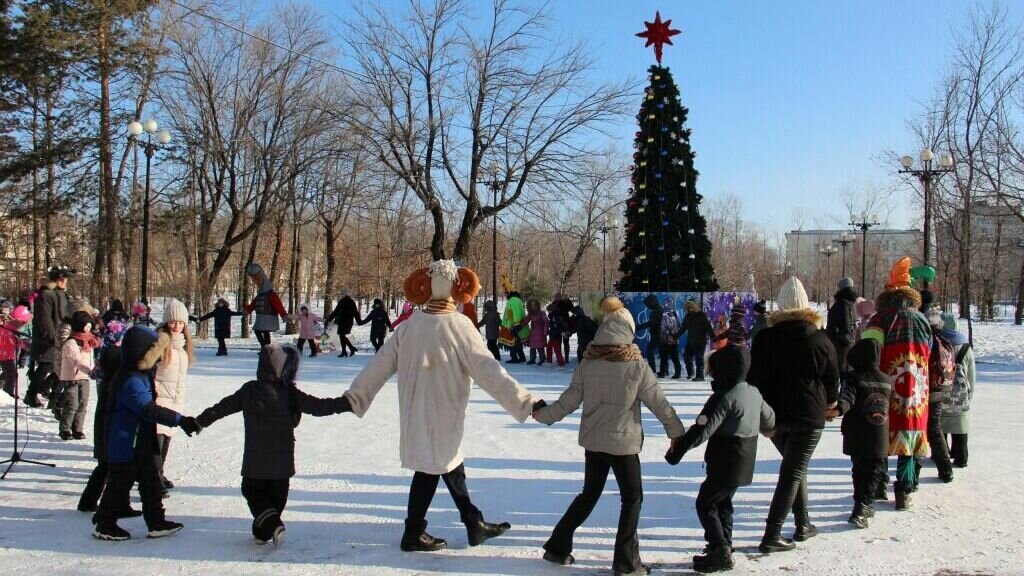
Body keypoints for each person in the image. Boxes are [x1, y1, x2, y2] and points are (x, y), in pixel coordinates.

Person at [343, 260, 538, 552]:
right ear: (456, 289)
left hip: (415, 411)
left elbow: (378, 365)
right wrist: (526, 403)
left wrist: (356, 396)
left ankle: (474, 523)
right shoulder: (461, 327)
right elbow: (490, 372)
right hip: (445, 410)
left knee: (448, 463)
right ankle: (414, 533)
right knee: (432, 467)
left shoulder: (409, 328)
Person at [533, 296, 684, 575]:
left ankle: (557, 545)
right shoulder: (636, 365)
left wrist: (541, 414)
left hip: (594, 442)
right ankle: (626, 562)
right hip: (623, 444)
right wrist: (677, 434)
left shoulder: (588, 363)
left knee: (589, 494)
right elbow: (659, 403)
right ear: (627, 331)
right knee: (632, 499)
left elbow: (567, 402)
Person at [194, 344, 353, 546]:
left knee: (253, 493)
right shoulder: (290, 393)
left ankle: (267, 529)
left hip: (255, 463)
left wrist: (200, 421)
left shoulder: (249, 390)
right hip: (282, 466)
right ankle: (266, 529)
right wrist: (347, 403)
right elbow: (320, 407)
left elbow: (221, 408)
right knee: (271, 509)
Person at [748, 276, 839, 553]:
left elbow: (755, 380)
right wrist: (831, 403)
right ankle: (772, 534)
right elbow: (832, 381)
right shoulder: (821, 339)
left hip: (775, 417)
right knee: (793, 471)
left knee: (794, 467)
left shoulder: (764, 338)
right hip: (810, 416)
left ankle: (803, 523)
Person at [666, 344, 776, 573]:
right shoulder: (753, 392)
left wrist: (675, 453)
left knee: (706, 503)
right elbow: (769, 420)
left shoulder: (724, 397)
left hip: (727, 458)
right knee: (723, 503)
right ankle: (724, 543)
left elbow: (702, 430)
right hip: (745, 458)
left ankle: (720, 550)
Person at [92, 325, 202, 541]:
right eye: (156, 351)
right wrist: (180, 420)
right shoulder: (130, 379)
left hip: (140, 441)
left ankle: (156, 522)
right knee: (119, 484)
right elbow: (147, 409)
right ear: (142, 354)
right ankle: (105, 523)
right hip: (125, 443)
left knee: (151, 481)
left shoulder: (140, 375)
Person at [861, 258, 932, 511]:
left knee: (880, 433)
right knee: (909, 436)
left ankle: (880, 482)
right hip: (916, 390)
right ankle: (905, 491)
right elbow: (929, 353)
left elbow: (869, 351)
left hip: (884, 386)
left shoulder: (880, 319)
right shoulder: (922, 321)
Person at [826, 339, 892, 529]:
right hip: (879, 434)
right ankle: (864, 504)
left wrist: (835, 410)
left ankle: (861, 504)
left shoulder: (853, 378)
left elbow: (846, 399)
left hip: (856, 433)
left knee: (859, 470)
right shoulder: (887, 380)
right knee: (873, 471)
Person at [78, 320, 140, 517]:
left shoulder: (108, 352)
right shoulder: (115, 354)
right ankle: (110, 505)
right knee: (113, 467)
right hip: (111, 417)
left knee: (106, 466)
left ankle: (89, 501)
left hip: (107, 414)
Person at [152, 299, 195, 495]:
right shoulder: (160, 343)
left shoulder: (184, 348)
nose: (176, 326)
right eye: (172, 322)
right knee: (156, 441)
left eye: (180, 323)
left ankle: (159, 472)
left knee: (167, 439)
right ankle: (154, 477)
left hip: (175, 401)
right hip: (159, 398)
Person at [25, 265, 71, 408]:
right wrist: (52, 337)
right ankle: (31, 394)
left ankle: (48, 391)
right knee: (46, 366)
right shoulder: (45, 295)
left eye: (65, 279)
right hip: (48, 339)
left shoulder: (61, 294)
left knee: (58, 367)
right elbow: (45, 319)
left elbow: (65, 315)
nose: (64, 282)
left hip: (61, 335)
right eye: (61, 279)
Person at [938, 313, 974, 469]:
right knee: (960, 427)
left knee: (940, 427)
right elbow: (971, 374)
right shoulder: (965, 347)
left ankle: (942, 454)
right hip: (960, 395)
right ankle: (961, 456)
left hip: (940, 393)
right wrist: (969, 394)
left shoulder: (937, 344)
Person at [57, 311, 99, 440]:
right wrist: (90, 371)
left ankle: (77, 429)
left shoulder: (89, 341)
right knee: (72, 404)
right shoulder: (71, 343)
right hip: (72, 378)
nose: (88, 328)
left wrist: (96, 367)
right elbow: (77, 360)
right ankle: (65, 429)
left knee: (83, 404)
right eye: (86, 326)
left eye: (89, 326)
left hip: (84, 377)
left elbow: (90, 358)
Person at [244, 263, 287, 347]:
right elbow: (253, 305)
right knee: (259, 331)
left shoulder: (271, 295)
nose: (254, 282)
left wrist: (284, 315)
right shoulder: (260, 295)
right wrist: (247, 310)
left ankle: (266, 348)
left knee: (264, 331)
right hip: (260, 318)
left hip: (268, 316)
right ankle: (265, 347)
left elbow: (278, 306)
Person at [826, 277, 859, 381]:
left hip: (840, 349)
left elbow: (845, 328)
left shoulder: (841, 305)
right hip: (851, 347)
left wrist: (833, 336)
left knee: (840, 379)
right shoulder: (852, 304)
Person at [1, 305, 31, 399]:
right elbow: (15, 342)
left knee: (7, 372)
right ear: (19, 321)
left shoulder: (7, 326)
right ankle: (7, 393)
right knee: (12, 373)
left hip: (7, 354)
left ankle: (3, 390)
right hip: (5, 355)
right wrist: (26, 346)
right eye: (23, 323)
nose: (23, 325)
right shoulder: (10, 329)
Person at [679, 299, 713, 381]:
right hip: (690, 342)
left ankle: (700, 376)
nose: (689, 307)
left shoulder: (701, 315)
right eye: (688, 306)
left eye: (691, 305)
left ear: (695, 306)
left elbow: (708, 327)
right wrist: (675, 336)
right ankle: (690, 373)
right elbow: (683, 328)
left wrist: (713, 337)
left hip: (700, 342)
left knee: (699, 359)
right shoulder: (687, 316)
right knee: (687, 357)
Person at [326, 289, 360, 357]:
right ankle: (345, 351)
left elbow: (336, 311)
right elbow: (356, 312)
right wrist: (359, 321)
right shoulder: (352, 302)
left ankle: (350, 349)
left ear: (344, 294)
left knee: (342, 335)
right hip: (349, 321)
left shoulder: (342, 301)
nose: (341, 295)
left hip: (343, 321)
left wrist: (329, 319)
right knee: (342, 336)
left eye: (342, 294)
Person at [636, 294, 663, 373]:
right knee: (662, 352)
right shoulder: (659, 309)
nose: (647, 306)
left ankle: (652, 369)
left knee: (650, 351)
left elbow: (651, 323)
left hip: (657, 334)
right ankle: (664, 370)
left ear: (651, 303)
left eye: (647, 304)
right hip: (659, 334)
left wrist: (638, 327)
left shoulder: (656, 311)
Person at [502, 289, 527, 364]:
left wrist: (509, 326)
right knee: (518, 341)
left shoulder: (511, 301)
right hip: (521, 324)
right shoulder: (519, 301)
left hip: (514, 325)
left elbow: (509, 314)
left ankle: (514, 357)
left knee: (513, 342)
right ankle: (522, 357)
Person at [548, 293, 574, 362]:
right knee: (558, 342)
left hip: (565, 326)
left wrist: (568, 300)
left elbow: (571, 308)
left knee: (565, 342)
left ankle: (566, 358)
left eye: (559, 296)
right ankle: (559, 358)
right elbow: (550, 313)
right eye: (556, 297)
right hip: (557, 327)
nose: (557, 298)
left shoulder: (565, 302)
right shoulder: (554, 303)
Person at [659, 305, 682, 379]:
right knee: (675, 358)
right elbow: (680, 327)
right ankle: (678, 373)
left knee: (664, 358)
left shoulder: (665, 316)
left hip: (666, 340)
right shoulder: (676, 315)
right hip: (674, 340)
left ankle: (662, 373)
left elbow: (664, 328)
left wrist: (668, 336)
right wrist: (675, 337)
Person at [525, 299, 547, 366]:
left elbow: (546, 321)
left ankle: (542, 359)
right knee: (532, 346)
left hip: (540, 332)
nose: (533, 307)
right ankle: (532, 359)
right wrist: (519, 326)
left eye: (534, 305)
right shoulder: (531, 314)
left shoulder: (542, 313)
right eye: (531, 305)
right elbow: (526, 321)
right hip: (533, 333)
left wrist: (545, 330)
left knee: (540, 347)